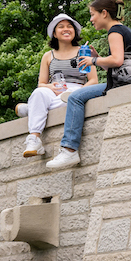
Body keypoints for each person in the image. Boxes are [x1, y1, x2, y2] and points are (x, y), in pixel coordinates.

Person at [47, 0, 131, 169]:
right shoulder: (121, 29)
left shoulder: (114, 31)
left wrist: (93, 61)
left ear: (104, 13)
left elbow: (117, 60)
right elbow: (117, 65)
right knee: (77, 97)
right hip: (130, 79)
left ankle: (69, 150)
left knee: (75, 97)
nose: (91, 19)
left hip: (125, 83)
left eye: (92, 14)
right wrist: (98, 58)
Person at [21, 14, 98, 158]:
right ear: (54, 33)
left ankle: (31, 109)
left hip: (76, 90)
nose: (66, 29)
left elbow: (93, 80)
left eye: (69, 26)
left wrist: (80, 92)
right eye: (61, 27)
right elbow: (41, 84)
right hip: (54, 92)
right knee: (39, 93)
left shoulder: (83, 51)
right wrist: (51, 87)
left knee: (67, 99)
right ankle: (35, 139)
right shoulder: (48, 56)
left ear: (75, 31)